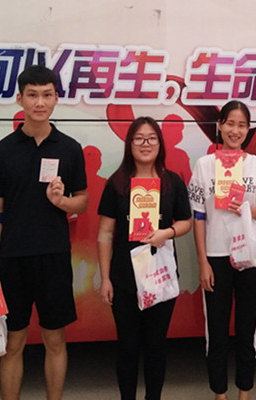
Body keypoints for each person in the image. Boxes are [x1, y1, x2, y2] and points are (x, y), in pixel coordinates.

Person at [0, 65, 89, 400]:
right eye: (33, 95)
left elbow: (82, 202)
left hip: (54, 257)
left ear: (56, 98)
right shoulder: (1, 151)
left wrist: (62, 201)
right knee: (13, 342)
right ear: (20, 99)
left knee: (55, 340)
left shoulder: (69, 148)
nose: (40, 102)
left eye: (47, 95)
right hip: (12, 260)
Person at [97, 116, 192, 400]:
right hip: (124, 279)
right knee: (127, 347)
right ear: (129, 144)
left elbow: (186, 222)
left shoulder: (172, 182)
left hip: (160, 277)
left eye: (151, 138)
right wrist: (106, 279)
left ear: (160, 144)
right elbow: (105, 233)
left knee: (156, 346)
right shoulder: (116, 183)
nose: (145, 143)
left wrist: (167, 232)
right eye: (138, 138)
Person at [188, 100, 256, 400]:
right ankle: (219, 394)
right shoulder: (204, 165)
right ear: (220, 126)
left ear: (248, 130)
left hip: (250, 255)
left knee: (248, 329)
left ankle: (244, 393)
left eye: (242, 125)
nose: (235, 131)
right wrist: (203, 262)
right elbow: (198, 216)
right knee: (217, 330)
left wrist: (248, 209)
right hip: (215, 256)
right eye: (230, 124)